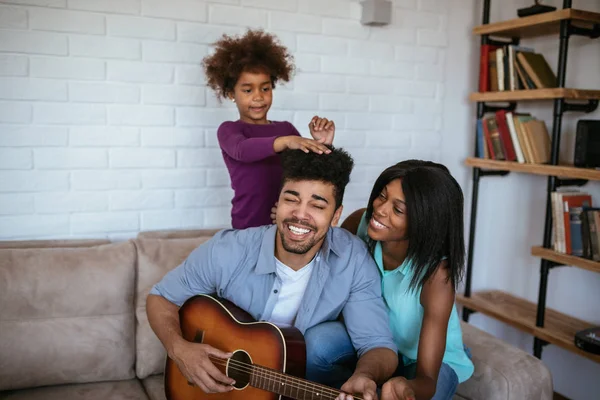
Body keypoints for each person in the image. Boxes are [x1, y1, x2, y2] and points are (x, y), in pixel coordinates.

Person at [146, 146, 399, 400]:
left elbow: (378, 345)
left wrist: (364, 375)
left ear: (336, 216)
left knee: (321, 341)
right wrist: (180, 350)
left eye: (317, 205)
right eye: (291, 199)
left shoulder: (352, 259)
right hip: (224, 391)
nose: (300, 215)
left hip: (292, 385)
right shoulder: (228, 250)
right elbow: (160, 298)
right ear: (277, 203)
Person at [341, 160, 474, 400]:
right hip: (374, 345)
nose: (380, 209)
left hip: (425, 363)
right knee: (320, 344)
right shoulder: (360, 224)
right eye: (381, 196)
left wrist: (407, 388)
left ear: (423, 223)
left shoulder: (437, 274)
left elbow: (427, 380)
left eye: (398, 210)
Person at [203, 28, 336, 229]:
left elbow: (309, 173)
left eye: (265, 88)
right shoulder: (229, 130)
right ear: (231, 93)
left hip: (287, 225)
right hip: (248, 227)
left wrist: (322, 143)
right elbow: (243, 150)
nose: (258, 96)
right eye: (248, 90)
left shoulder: (286, 128)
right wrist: (285, 141)